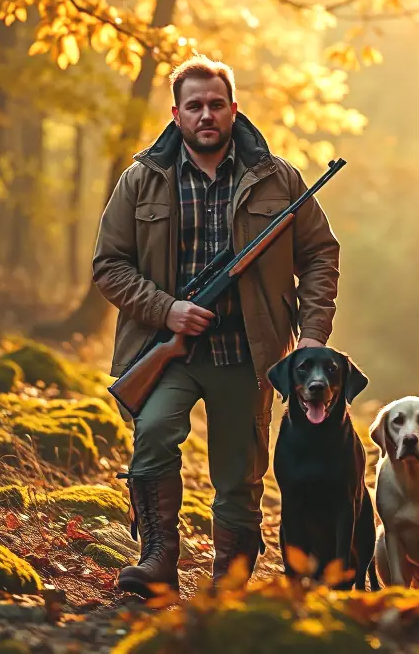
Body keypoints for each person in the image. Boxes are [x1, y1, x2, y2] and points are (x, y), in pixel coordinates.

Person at [91, 54, 341, 597]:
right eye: (195, 105)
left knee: (238, 477)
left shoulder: (280, 180)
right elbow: (108, 265)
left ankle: (228, 582)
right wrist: (167, 311)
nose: (206, 114)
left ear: (234, 109)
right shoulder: (141, 179)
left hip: (250, 355)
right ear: (177, 114)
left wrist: (313, 336)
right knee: (153, 434)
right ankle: (158, 559)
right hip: (167, 349)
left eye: (216, 104)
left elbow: (320, 254)